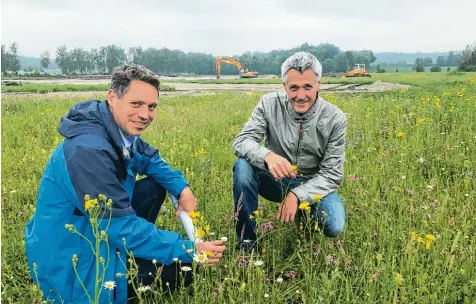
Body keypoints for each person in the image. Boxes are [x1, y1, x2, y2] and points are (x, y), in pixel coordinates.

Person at [25, 64, 226, 303]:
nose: (145, 114)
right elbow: (121, 228)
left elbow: (150, 158)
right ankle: (128, 280)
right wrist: (191, 249)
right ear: (113, 97)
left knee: (154, 185)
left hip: (96, 228)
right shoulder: (88, 152)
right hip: (73, 257)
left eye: (152, 106)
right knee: (185, 268)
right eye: (136, 104)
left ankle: (133, 257)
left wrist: (182, 188)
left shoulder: (113, 129)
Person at [232, 52, 347, 250]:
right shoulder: (268, 104)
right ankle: (247, 242)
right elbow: (241, 141)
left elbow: (332, 175)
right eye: (293, 87)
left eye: (307, 87)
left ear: (318, 85)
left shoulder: (335, 119)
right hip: (275, 178)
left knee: (333, 224)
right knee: (243, 166)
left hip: (313, 181)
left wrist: (297, 195)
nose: (300, 96)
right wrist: (267, 156)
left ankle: (304, 221)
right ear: (284, 86)